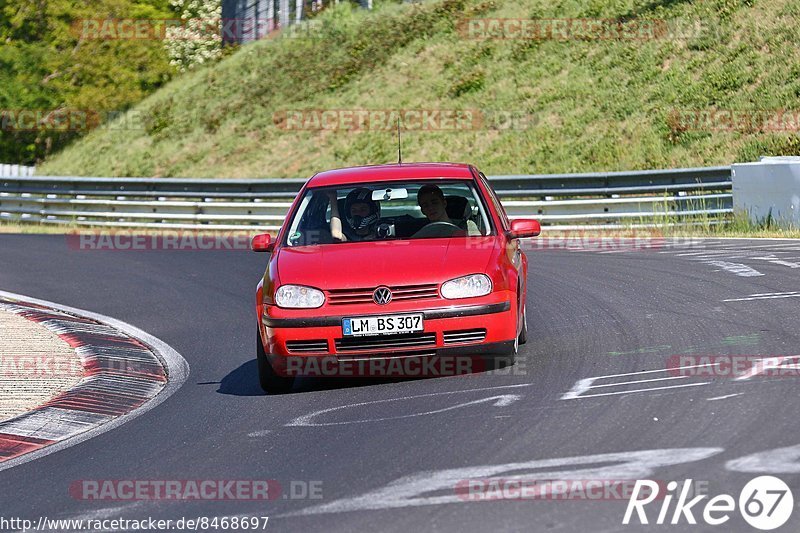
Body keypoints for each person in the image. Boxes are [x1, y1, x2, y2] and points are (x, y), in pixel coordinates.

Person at [417, 184, 481, 235]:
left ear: (444, 203)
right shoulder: (419, 233)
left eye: (434, 203)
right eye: (425, 205)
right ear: (422, 211)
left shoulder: (469, 229)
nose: (430, 208)